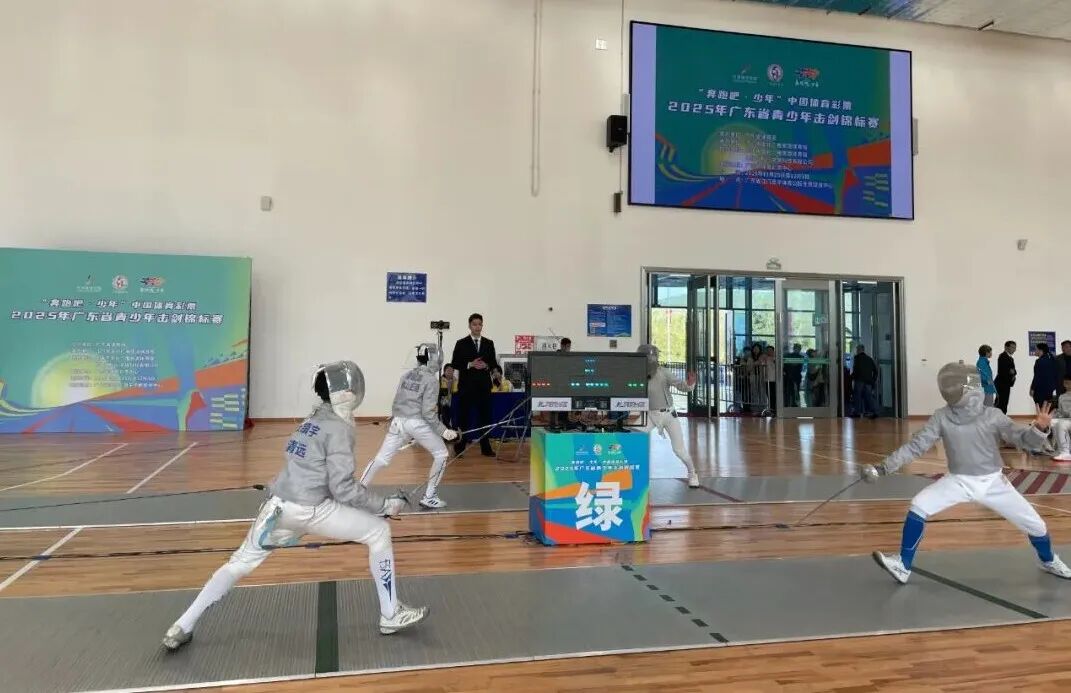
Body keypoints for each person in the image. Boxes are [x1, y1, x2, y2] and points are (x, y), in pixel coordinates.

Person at [161, 361, 427, 651]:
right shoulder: (339, 428)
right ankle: (390, 613)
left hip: (277, 507)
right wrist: (385, 505)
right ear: (345, 394)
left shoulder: (312, 419)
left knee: (238, 563)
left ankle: (182, 625)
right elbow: (343, 488)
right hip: (311, 510)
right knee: (378, 531)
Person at [866, 362, 1070, 583]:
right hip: (958, 481)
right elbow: (916, 446)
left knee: (1036, 526)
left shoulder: (992, 415)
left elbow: (1024, 441)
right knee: (919, 506)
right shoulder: (942, 416)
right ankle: (903, 565)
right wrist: (884, 466)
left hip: (993, 483)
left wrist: (1039, 429)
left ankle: (1048, 560)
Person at [361, 344, 459, 509]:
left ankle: (357, 491)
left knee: (381, 459)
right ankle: (429, 496)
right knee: (441, 453)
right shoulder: (431, 380)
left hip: (397, 421)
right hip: (416, 423)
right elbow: (428, 413)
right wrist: (444, 431)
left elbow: (397, 401)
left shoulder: (406, 375)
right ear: (432, 360)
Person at [638, 344, 699, 487]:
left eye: (652, 357)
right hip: (650, 415)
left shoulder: (664, 372)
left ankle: (692, 473)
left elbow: (681, 386)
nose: (650, 360)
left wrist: (690, 384)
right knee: (635, 437)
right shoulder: (637, 374)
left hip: (668, 415)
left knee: (679, 450)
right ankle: (632, 473)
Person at [450, 313, 498, 457]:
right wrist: (469, 364)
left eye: (480, 324)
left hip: (484, 386)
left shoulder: (489, 343)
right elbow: (455, 363)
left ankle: (486, 448)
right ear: (469, 326)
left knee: (485, 417)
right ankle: (460, 447)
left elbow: (493, 363)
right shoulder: (461, 343)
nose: (477, 327)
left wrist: (486, 365)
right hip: (467, 387)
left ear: (482, 325)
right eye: (474, 324)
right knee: (464, 418)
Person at [851, 344, 879, 419]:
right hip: (868, 381)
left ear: (859, 350)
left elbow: (856, 369)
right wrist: (873, 380)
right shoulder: (870, 359)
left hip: (859, 380)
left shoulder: (857, 358)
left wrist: (852, 377)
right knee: (869, 397)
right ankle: (873, 411)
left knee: (857, 396)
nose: (856, 351)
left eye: (857, 349)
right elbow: (876, 371)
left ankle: (857, 412)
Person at [1031, 342, 1059, 409]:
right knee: (1047, 408)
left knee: (1040, 408)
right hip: (1050, 389)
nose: (1035, 351)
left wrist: (1032, 388)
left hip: (1040, 389)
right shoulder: (1052, 359)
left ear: (1040, 350)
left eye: (1036, 349)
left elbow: (1037, 377)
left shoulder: (1039, 361)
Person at [1051, 378, 1071, 463]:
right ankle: (1060, 449)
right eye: (1065, 383)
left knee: (1061, 424)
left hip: (1068, 420)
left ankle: (1065, 452)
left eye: (1068, 382)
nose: (1067, 384)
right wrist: (1052, 416)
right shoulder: (1062, 397)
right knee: (1053, 422)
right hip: (1066, 419)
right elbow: (1060, 411)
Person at [995, 341, 1017, 414]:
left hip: (1007, 383)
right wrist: (1011, 372)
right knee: (1000, 402)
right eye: (1012, 347)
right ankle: (998, 417)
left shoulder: (1010, 358)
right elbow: (1002, 371)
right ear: (1006, 347)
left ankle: (1003, 417)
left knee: (1004, 402)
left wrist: (1013, 373)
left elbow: (1014, 371)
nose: (1014, 349)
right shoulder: (1002, 356)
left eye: (1015, 348)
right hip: (1002, 384)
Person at [784, 343, 804, 408]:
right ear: (794, 348)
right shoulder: (788, 355)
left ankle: (794, 403)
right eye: (796, 348)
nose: (797, 349)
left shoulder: (801, 357)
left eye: (799, 348)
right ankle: (788, 404)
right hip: (788, 376)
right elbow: (786, 365)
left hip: (797, 376)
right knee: (789, 390)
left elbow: (798, 365)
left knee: (796, 390)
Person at [762, 345, 778, 415]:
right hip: (767, 379)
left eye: (770, 350)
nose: (769, 352)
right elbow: (762, 364)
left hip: (776, 379)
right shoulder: (765, 358)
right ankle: (772, 409)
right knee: (769, 395)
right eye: (768, 350)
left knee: (775, 395)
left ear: (773, 351)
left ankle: (775, 409)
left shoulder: (777, 358)